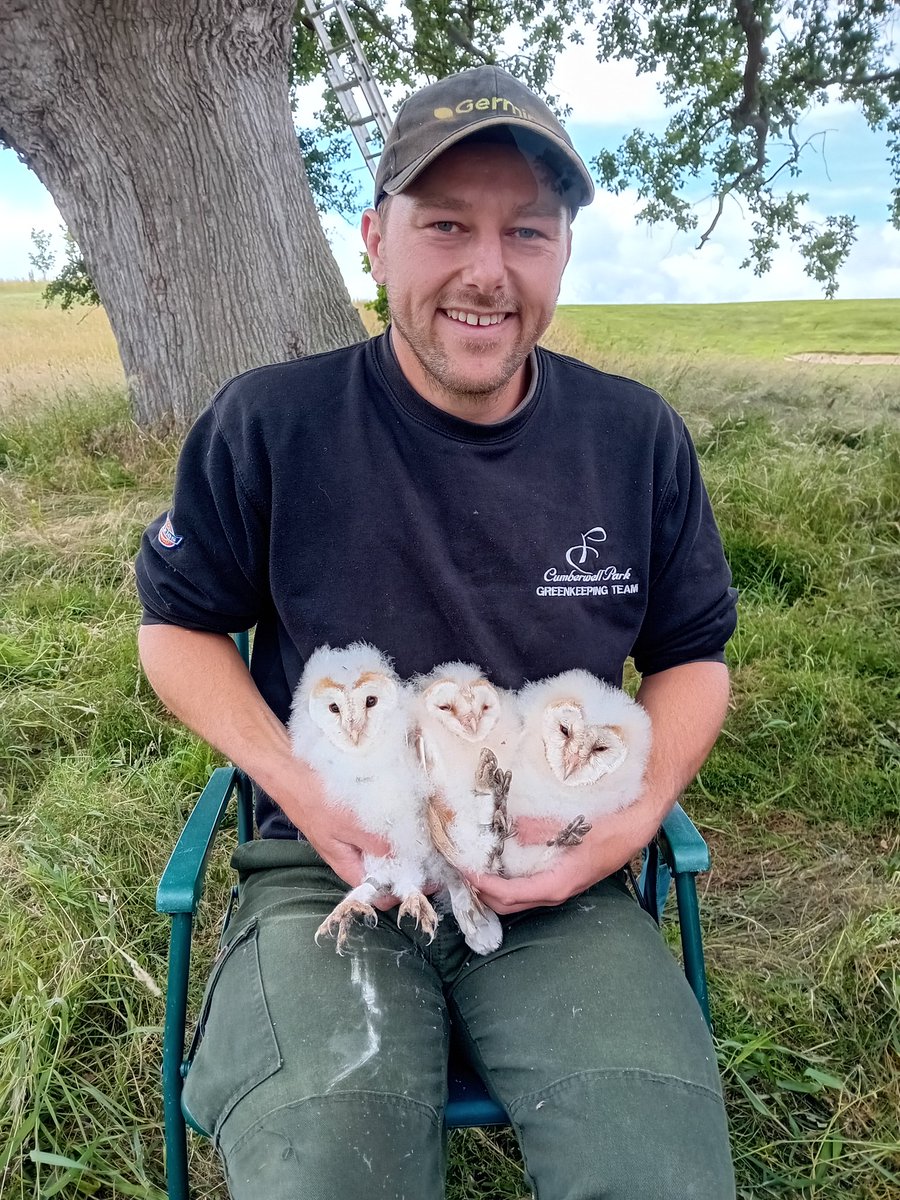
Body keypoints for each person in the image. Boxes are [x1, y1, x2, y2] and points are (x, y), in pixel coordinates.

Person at [137, 65, 737, 1200]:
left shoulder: (635, 438)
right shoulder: (271, 423)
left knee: (655, 1173)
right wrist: (300, 790)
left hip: (558, 875)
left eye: (527, 231)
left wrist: (627, 825)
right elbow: (175, 631)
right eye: (445, 225)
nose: (486, 271)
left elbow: (692, 657)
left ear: (561, 253)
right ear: (375, 237)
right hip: (333, 876)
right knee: (328, 1164)